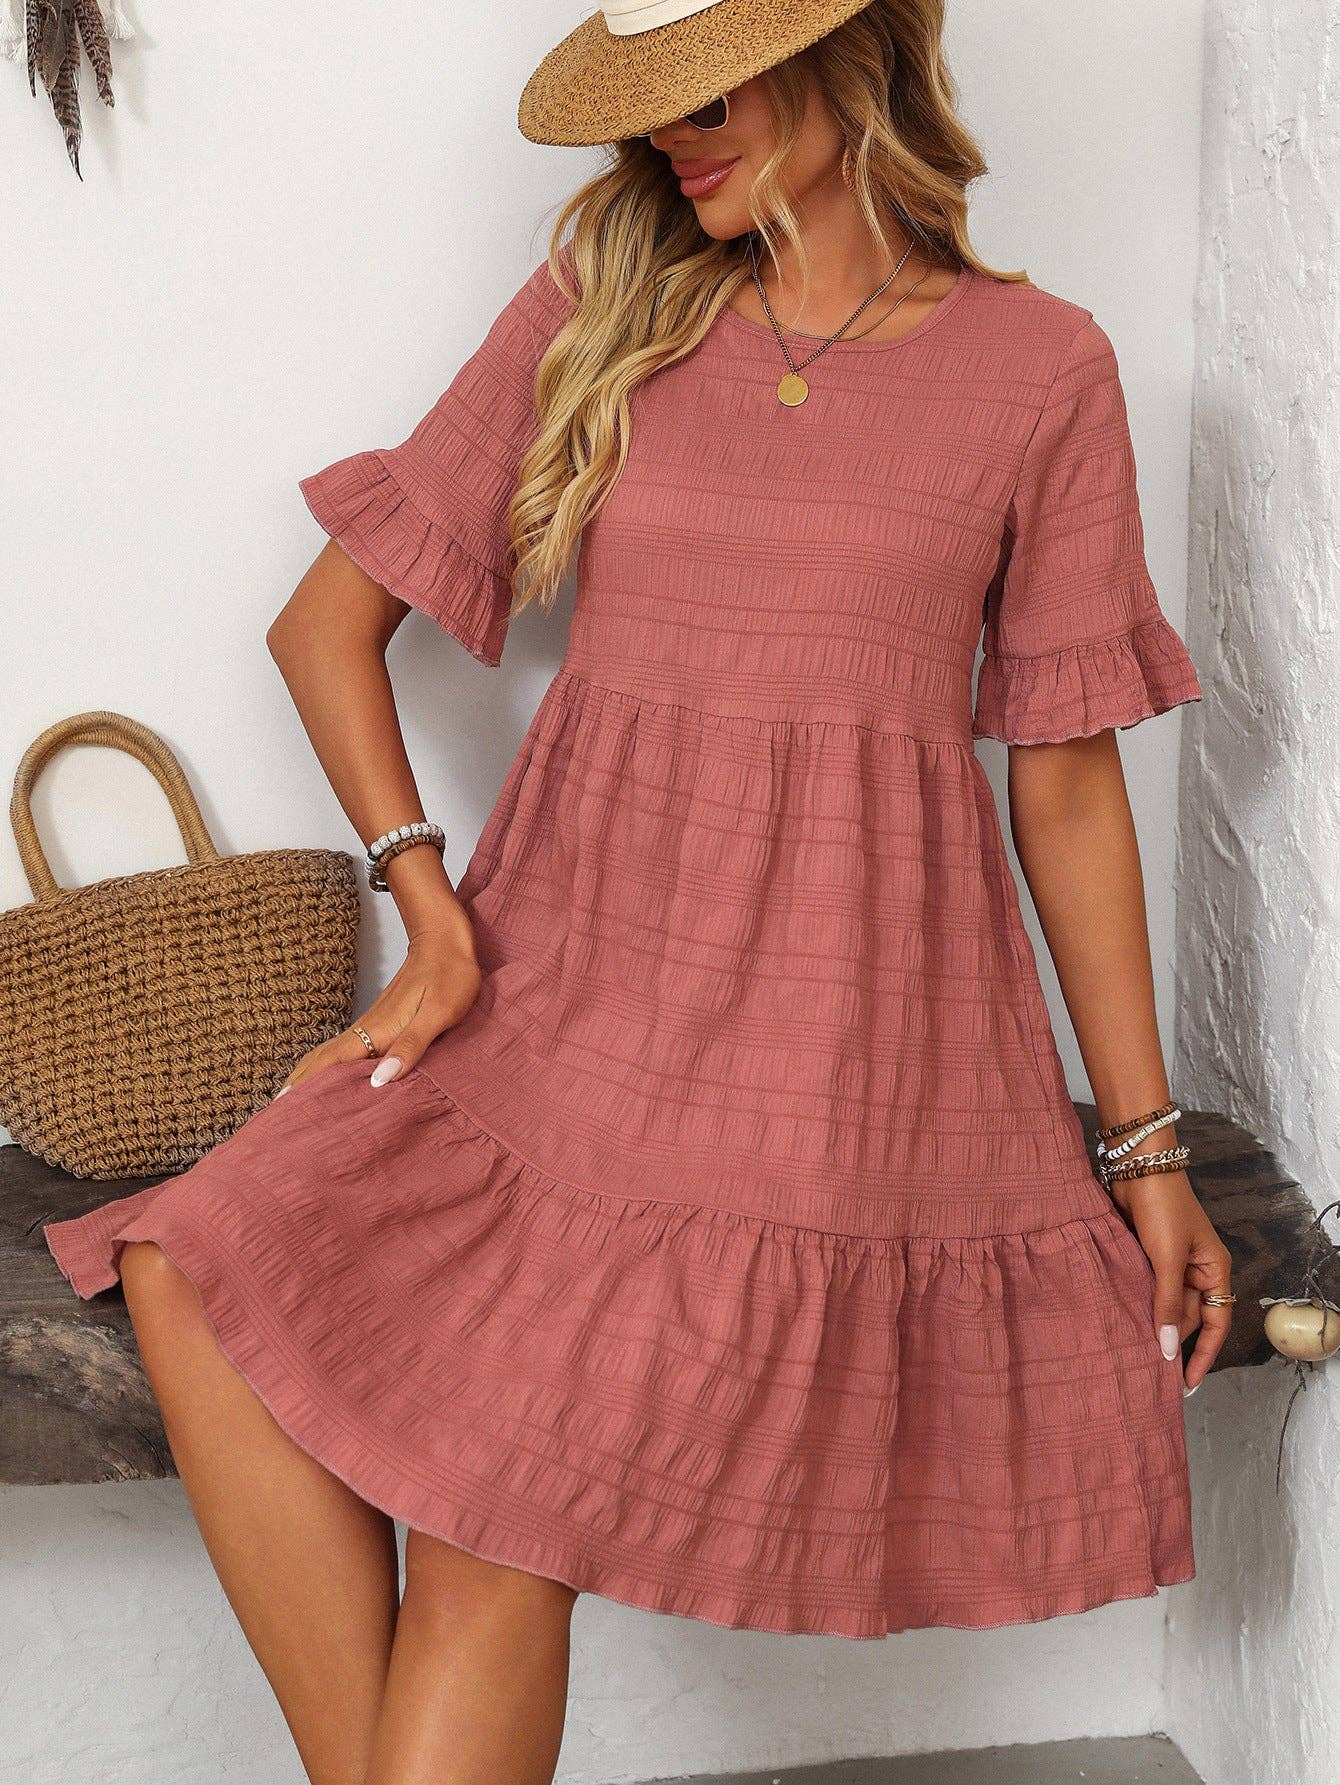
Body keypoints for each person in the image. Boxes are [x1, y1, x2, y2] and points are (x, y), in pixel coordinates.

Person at [43, 2, 1236, 1781]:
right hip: (559, 1014)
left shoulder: (1041, 367)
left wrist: (1145, 1150)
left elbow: (1064, 781)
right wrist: (432, 916)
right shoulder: (609, 297)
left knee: (485, 1521)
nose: (674, 138)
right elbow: (321, 626)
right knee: (188, 1264)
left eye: (712, 87)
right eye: (649, 104)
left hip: (824, 1069)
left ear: (859, 56)